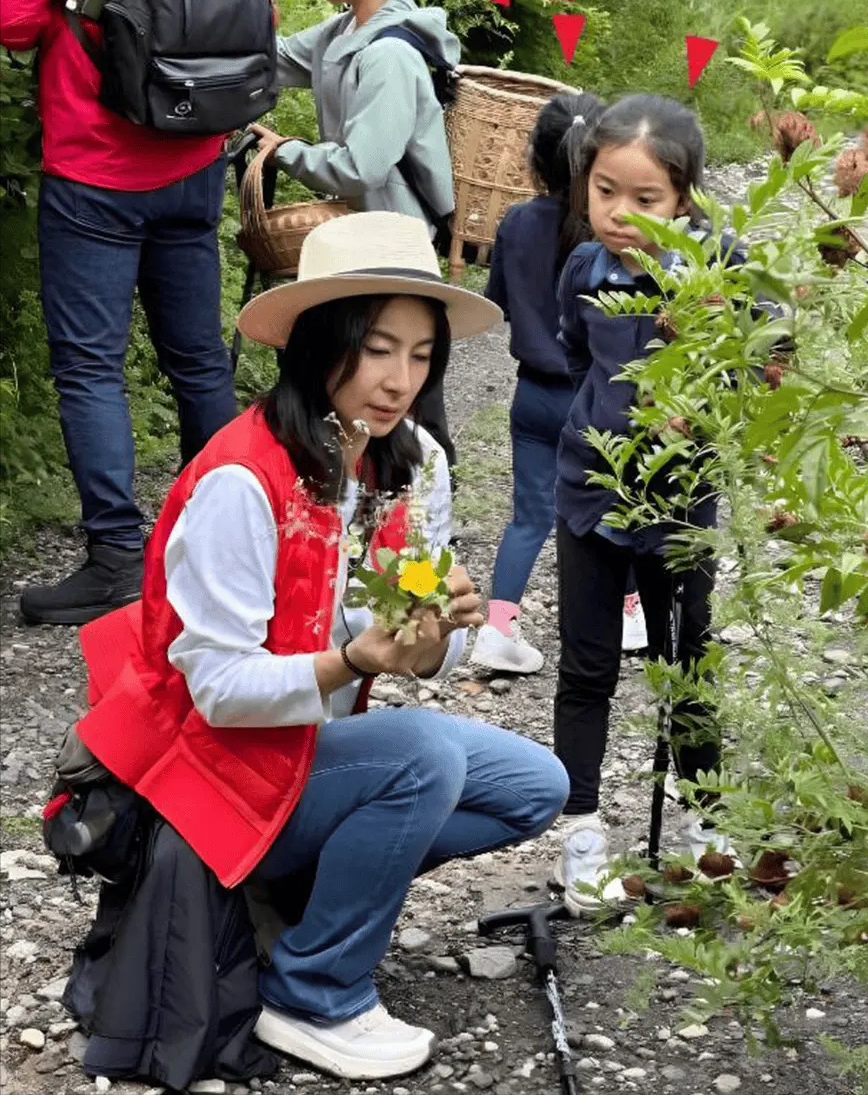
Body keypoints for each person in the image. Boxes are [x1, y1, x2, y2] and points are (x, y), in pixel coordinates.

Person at [71, 212, 570, 1081]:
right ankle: (314, 990)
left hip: (304, 752)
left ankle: (299, 897)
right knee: (418, 754)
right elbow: (217, 689)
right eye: (376, 348)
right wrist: (352, 663)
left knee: (535, 787)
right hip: (200, 769)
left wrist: (432, 640)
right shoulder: (242, 478)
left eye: (420, 355)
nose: (398, 380)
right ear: (316, 343)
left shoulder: (411, 461)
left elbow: (413, 653)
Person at [0, 0, 249, 626]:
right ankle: (227, 539)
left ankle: (116, 557)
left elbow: (14, 18)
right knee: (199, 357)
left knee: (90, 367)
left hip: (95, 162)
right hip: (197, 145)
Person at [553, 95, 736, 916]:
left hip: (682, 500)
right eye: (604, 191)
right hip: (590, 489)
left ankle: (706, 828)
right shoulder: (583, 270)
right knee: (587, 667)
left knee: (688, 666)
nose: (620, 214)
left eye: (645, 199)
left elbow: (760, 370)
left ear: (686, 196)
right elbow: (571, 350)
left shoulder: (719, 270)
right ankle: (583, 836)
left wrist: (701, 398)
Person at [249, 0, 458, 467]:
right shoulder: (345, 30)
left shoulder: (390, 54)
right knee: (348, 375)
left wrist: (283, 150)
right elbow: (277, 58)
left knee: (403, 386)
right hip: (362, 238)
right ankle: (342, 497)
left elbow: (361, 167)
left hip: (397, 244)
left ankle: (423, 521)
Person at [470, 92, 648, 675]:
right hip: (595, 399)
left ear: (533, 164)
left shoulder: (517, 221)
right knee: (613, 505)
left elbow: (497, 303)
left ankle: (498, 627)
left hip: (533, 396)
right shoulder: (612, 244)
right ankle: (626, 614)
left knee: (529, 514)